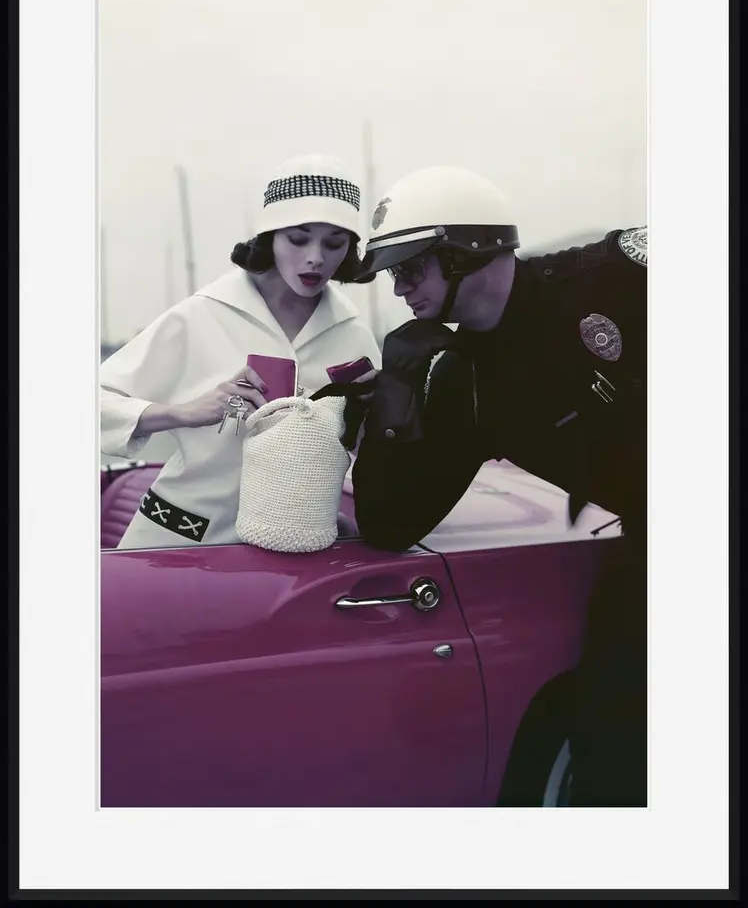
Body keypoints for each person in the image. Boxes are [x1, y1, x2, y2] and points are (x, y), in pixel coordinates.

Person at [351, 164, 647, 808]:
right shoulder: (464, 381)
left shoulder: (618, 274)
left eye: (411, 268)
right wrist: (397, 391)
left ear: (467, 252)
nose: (399, 288)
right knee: (612, 735)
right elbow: (391, 522)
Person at [101, 153, 381, 550]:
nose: (316, 257)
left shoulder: (354, 336)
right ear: (269, 237)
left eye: (334, 243)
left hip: (290, 551)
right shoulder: (203, 315)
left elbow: (366, 452)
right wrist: (183, 412)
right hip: (177, 541)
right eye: (298, 238)